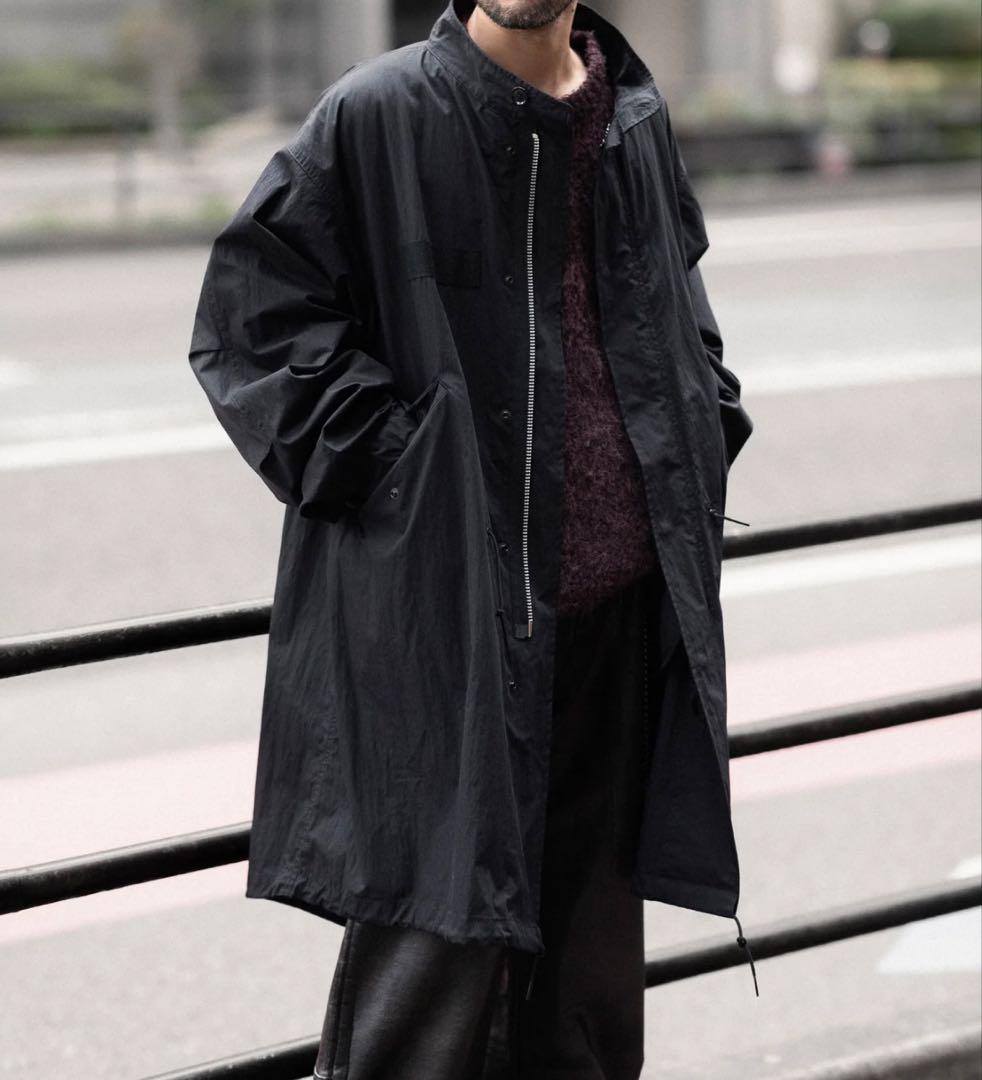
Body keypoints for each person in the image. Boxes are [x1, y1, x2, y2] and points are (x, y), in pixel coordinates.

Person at [187, 1, 757, 1076]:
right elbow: (252, 322)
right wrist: (405, 477)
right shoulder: (379, 112)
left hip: (615, 628)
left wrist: (701, 420)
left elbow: (681, 309)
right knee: (426, 1001)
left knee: (584, 1013)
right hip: (450, 632)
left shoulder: (631, 117)